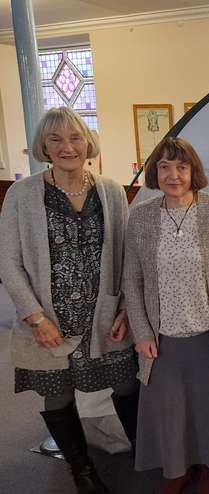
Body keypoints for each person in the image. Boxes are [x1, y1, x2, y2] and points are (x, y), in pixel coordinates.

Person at [0, 107, 138, 494]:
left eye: (75, 138)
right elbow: (8, 262)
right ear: (43, 146)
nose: (67, 147)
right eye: (56, 139)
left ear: (87, 143)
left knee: (126, 385)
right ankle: (82, 470)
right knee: (58, 394)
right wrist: (34, 317)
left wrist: (126, 307)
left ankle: (143, 453)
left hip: (104, 317)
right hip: (49, 322)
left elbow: (126, 255)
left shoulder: (111, 191)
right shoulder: (21, 194)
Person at [122, 136, 209, 494]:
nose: (173, 175)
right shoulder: (141, 217)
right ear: (154, 172)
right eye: (164, 167)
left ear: (194, 171)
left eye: (182, 166)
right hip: (162, 338)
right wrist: (143, 333)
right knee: (171, 412)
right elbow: (131, 280)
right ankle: (177, 471)